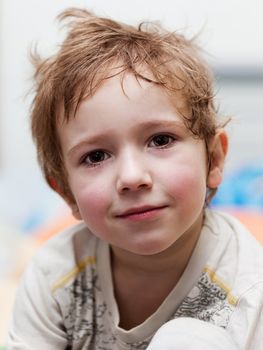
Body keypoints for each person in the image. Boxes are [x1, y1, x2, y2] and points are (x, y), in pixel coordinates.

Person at [7, 8, 263, 350]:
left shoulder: (248, 288)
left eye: (160, 140)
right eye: (95, 156)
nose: (131, 177)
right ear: (67, 193)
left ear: (214, 159)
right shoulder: (55, 277)